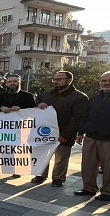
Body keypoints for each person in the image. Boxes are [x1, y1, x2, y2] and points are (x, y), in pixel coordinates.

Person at [34, 70, 89, 187]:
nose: (56, 82)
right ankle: (40, 175)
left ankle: (58, 178)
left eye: (59, 79)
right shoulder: (47, 93)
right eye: (55, 79)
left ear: (69, 81)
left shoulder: (79, 97)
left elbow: (77, 118)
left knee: (61, 159)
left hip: (63, 134)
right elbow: (36, 103)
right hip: (44, 133)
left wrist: (66, 134)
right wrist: (39, 104)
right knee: (43, 155)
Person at [75, 71, 110, 201]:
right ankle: (89, 188)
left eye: (109, 81)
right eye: (104, 81)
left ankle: (107, 192)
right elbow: (85, 117)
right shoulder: (94, 99)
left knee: (108, 168)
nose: (106, 83)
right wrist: (80, 132)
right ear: (100, 82)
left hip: (108, 140)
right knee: (88, 166)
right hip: (90, 137)